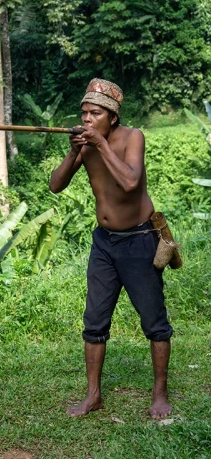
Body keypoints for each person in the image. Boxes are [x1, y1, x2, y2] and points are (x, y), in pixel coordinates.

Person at [49, 78, 173, 419]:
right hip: (104, 243)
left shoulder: (132, 137)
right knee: (94, 321)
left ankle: (160, 394)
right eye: (84, 113)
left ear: (112, 117)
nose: (87, 120)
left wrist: (99, 145)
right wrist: (75, 150)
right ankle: (93, 396)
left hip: (138, 241)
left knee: (154, 321)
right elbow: (55, 186)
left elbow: (131, 182)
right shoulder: (85, 145)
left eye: (96, 114)